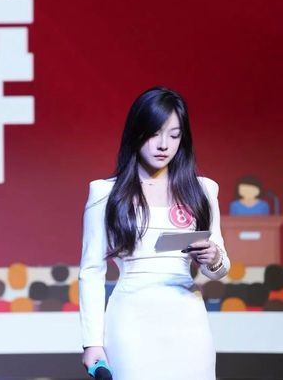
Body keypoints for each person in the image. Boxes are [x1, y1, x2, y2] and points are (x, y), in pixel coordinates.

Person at [79, 87, 230, 379]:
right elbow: (91, 271)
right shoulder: (105, 193)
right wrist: (92, 342)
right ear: (136, 133)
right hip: (131, 321)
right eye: (154, 134)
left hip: (188, 321)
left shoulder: (202, 190)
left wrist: (213, 257)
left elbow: (219, 269)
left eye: (174, 136)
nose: (163, 145)